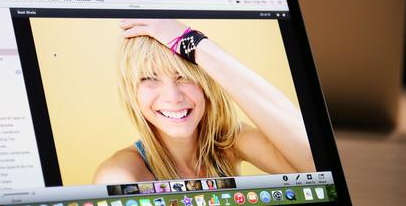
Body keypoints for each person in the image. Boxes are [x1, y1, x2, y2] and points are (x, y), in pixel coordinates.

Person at [92, 19, 315, 183]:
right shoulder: (120, 173)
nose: (173, 97)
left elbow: (316, 164)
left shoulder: (228, 142)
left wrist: (196, 43)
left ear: (205, 84)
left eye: (183, 76)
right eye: (149, 78)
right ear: (131, 91)